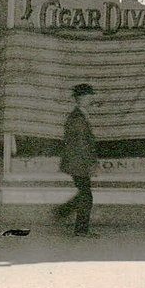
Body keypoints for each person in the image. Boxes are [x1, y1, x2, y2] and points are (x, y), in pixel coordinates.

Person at [54, 83, 99, 237]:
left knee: (84, 193)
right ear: (80, 98)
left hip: (77, 162)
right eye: (88, 95)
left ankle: (62, 212)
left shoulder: (79, 115)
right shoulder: (78, 118)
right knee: (86, 195)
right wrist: (90, 164)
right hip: (79, 162)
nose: (91, 98)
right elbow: (82, 145)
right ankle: (80, 229)